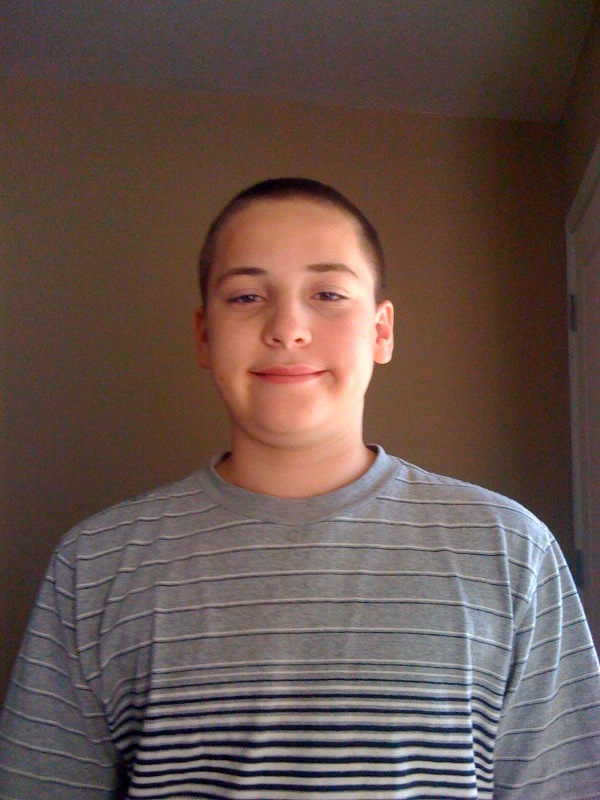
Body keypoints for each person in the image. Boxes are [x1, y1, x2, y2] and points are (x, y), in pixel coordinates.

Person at [1, 177, 599, 799]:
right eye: (247, 296)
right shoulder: (95, 564)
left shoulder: (509, 550)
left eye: (328, 294)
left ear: (381, 331)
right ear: (204, 335)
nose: (287, 328)